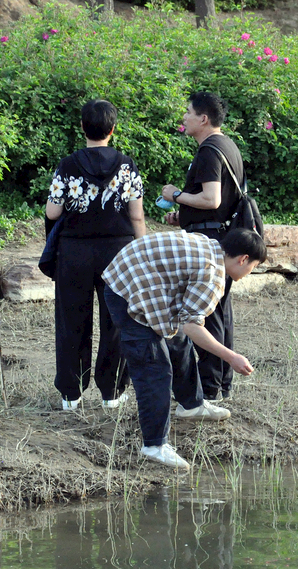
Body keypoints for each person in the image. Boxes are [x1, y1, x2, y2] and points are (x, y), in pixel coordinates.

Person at [102, 228, 267, 469]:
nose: (249, 272)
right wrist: (231, 357)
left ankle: (192, 405)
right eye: (253, 266)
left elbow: (183, 325)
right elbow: (191, 326)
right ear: (243, 259)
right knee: (155, 368)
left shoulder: (210, 246)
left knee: (178, 342)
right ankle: (154, 446)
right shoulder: (212, 274)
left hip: (132, 276)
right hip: (127, 291)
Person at [46, 99, 146, 411]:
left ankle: (71, 395)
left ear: (82, 127)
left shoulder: (68, 164)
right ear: (112, 130)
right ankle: (112, 393)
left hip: (74, 251)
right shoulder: (127, 165)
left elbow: (53, 209)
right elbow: (138, 217)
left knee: (71, 320)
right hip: (118, 252)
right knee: (116, 320)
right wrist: (142, 254)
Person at [161, 92, 246, 401]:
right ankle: (220, 386)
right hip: (218, 234)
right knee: (220, 314)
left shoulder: (209, 150)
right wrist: (183, 215)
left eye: (188, 112)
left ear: (203, 119)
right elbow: (214, 205)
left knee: (206, 318)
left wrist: (176, 195)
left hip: (209, 243)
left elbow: (212, 200)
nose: (184, 117)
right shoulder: (228, 145)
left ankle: (210, 390)